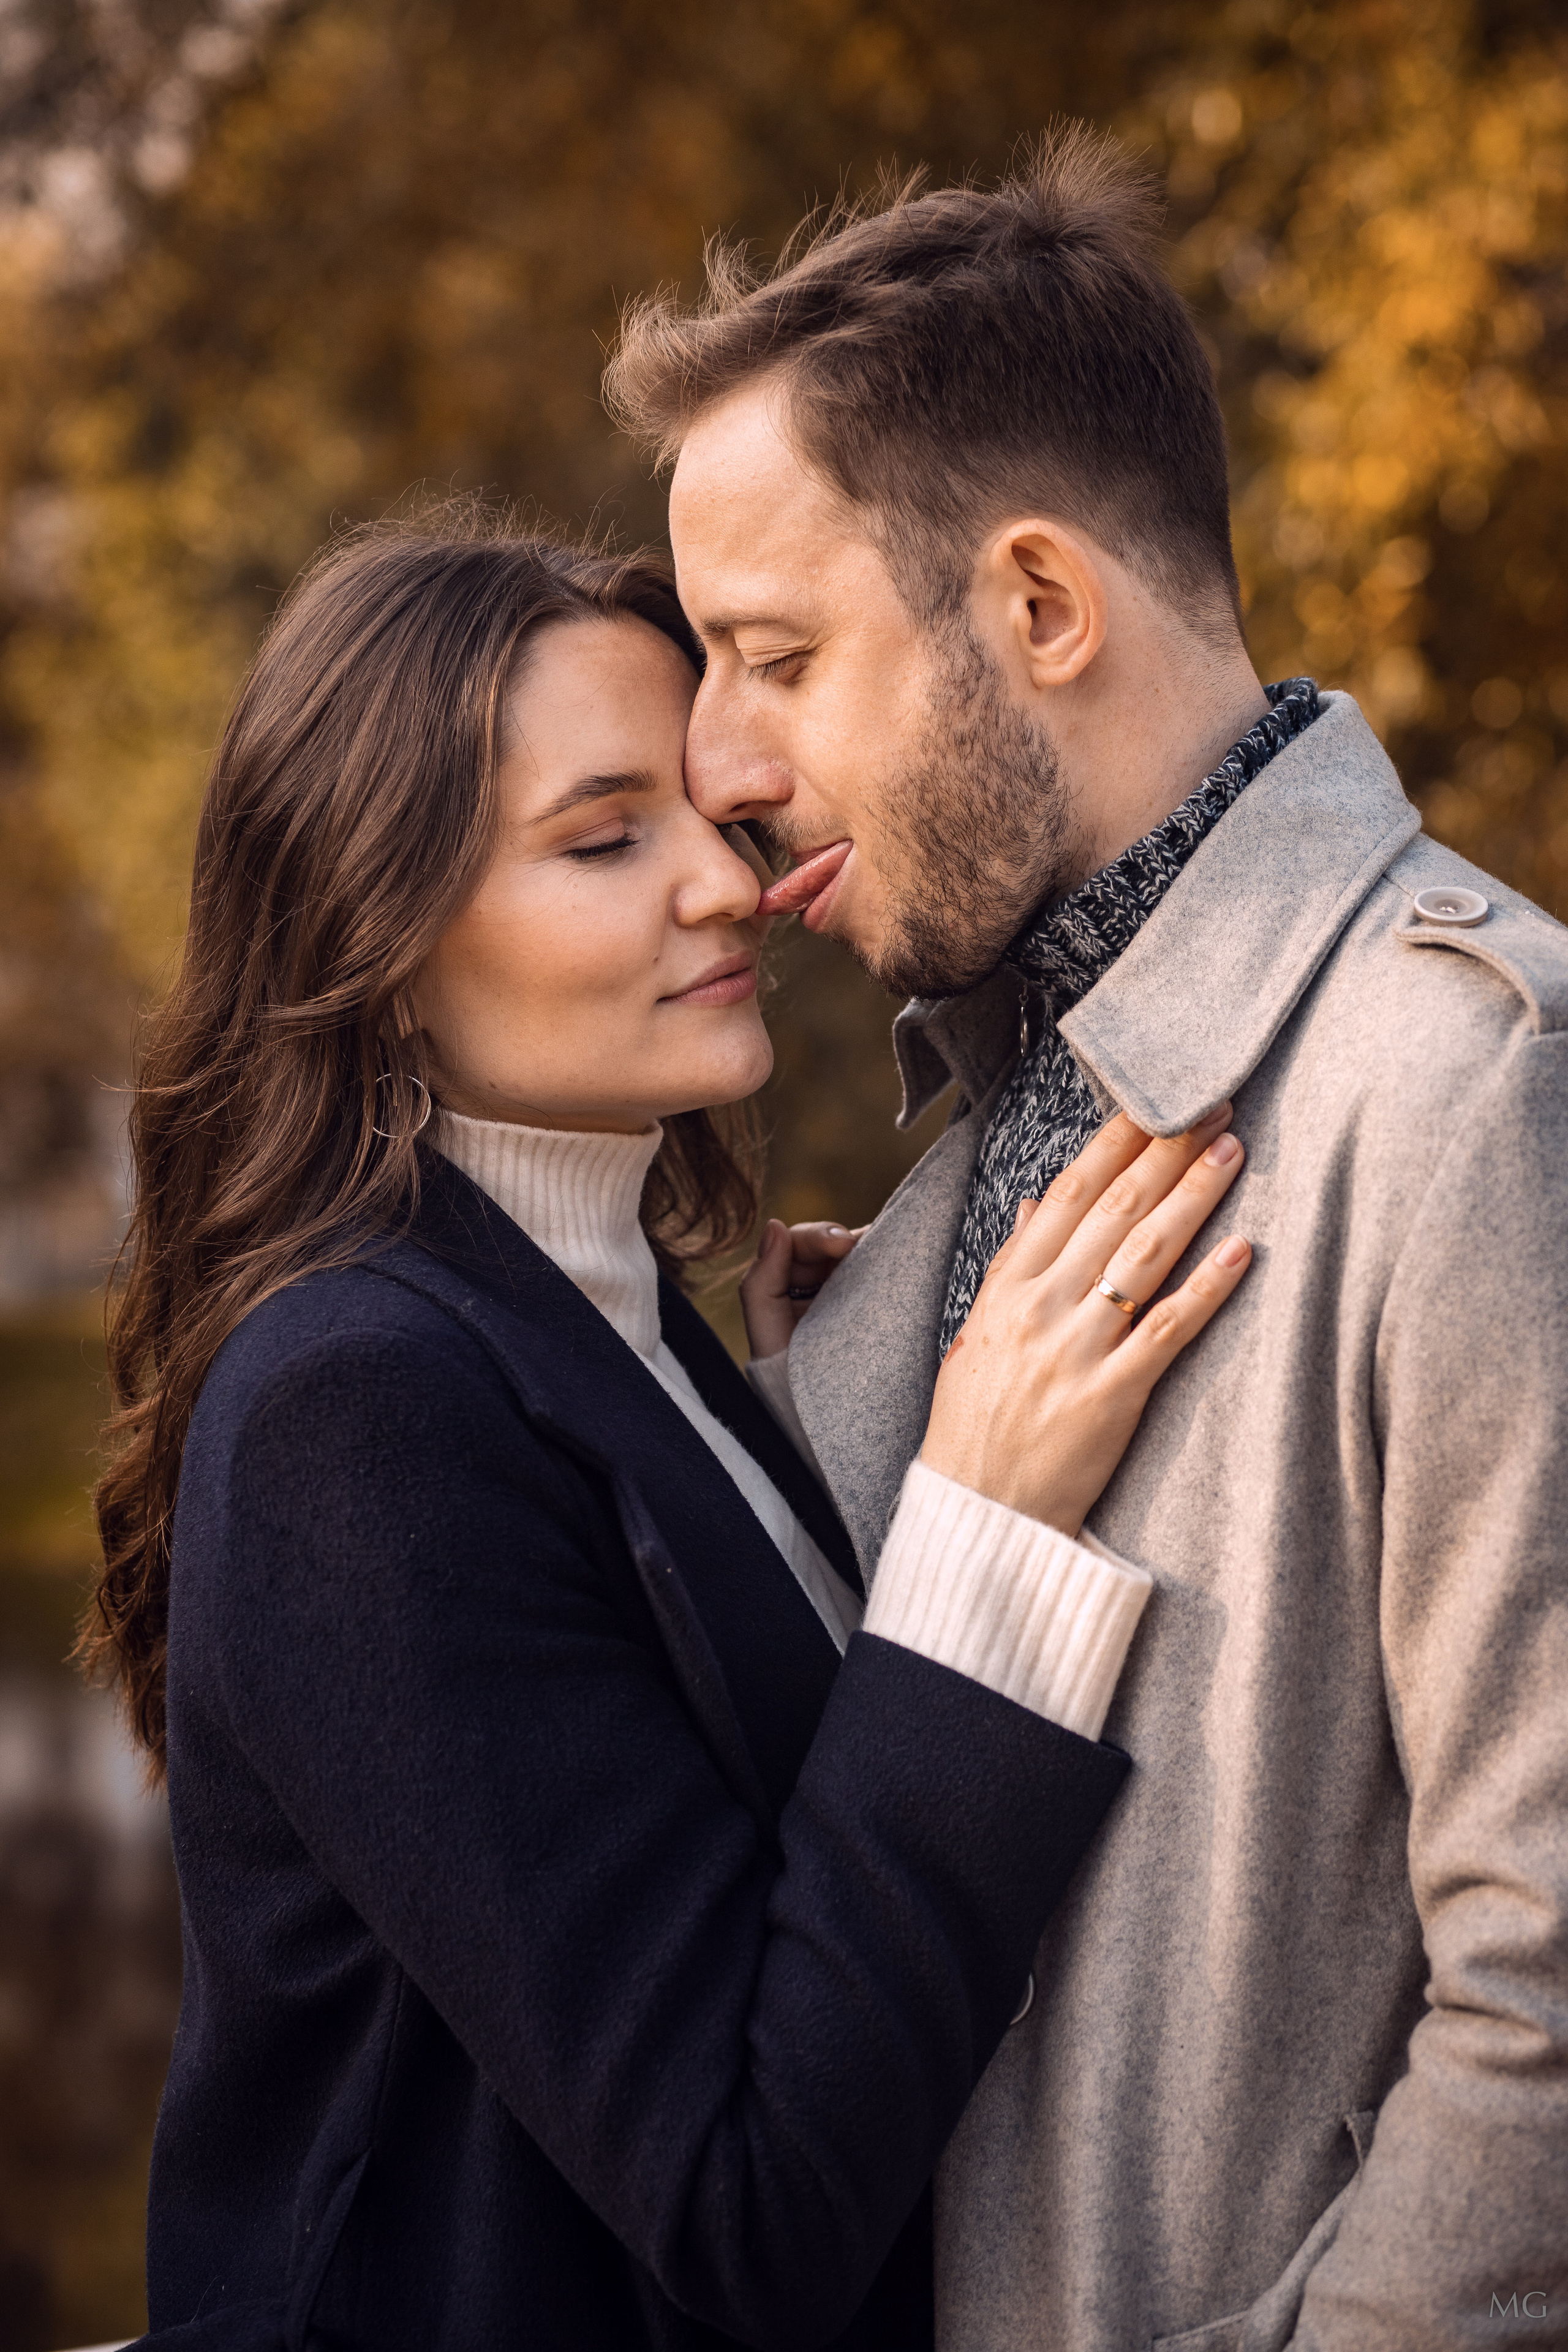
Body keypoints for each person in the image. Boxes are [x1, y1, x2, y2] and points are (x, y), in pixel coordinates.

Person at [84, 512, 1253, 2350]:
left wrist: (817, 1447)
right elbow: (744, 2199)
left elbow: (729, 1865)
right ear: (373, 933)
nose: (722, 882)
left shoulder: (605, 1326)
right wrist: (978, 1532)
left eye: (709, 815)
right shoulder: (350, 1409)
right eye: (602, 839)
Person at [606, 127, 1568, 2350]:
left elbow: (1546, 2008)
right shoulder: (959, 1167)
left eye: (768, 655)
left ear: (1037, 608)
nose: (713, 762)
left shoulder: (1466, 1095)